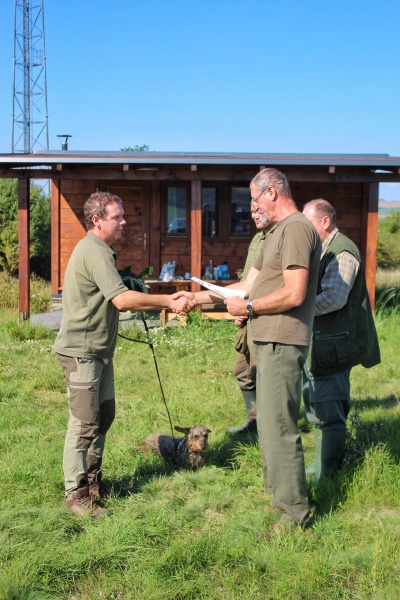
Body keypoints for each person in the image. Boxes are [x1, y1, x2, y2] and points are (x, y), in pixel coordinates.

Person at [194, 168, 321, 530]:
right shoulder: (275, 234)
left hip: (283, 339)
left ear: (271, 192)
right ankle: (280, 498)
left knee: (280, 426)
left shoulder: (296, 228)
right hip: (266, 339)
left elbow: (294, 293)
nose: (252, 207)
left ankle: (295, 512)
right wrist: (195, 298)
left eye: (253, 198)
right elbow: (245, 286)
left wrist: (249, 308)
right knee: (267, 423)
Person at [54, 191, 195, 517]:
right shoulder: (94, 251)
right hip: (82, 354)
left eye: (122, 215)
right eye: (116, 217)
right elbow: (121, 300)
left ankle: (93, 484)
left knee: (103, 417)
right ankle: (77, 496)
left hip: (99, 352)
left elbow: (111, 290)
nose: (124, 222)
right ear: (96, 220)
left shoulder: (101, 250)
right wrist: (168, 301)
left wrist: (128, 280)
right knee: (84, 424)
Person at [302, 199, 381, 478]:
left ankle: (330, 474)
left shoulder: (342, 251)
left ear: (325, 221)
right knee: (316, 406)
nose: (304, 229)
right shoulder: (324, 249)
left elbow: (334, 298)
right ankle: (319, 464)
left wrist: (296, 308)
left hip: (335, 345)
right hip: (322, 343)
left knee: (330, 408)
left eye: (308, 223)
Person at [228, 204, 273, 434]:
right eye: (252, 211)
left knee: (261, 374)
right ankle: (253, 421)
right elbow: (248, 280)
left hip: (265, 316)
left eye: (259, 210)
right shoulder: (257, 239)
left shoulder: (278, 238)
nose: (254, 215)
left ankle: (268, 428)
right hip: (248, 313)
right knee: (242, 370)